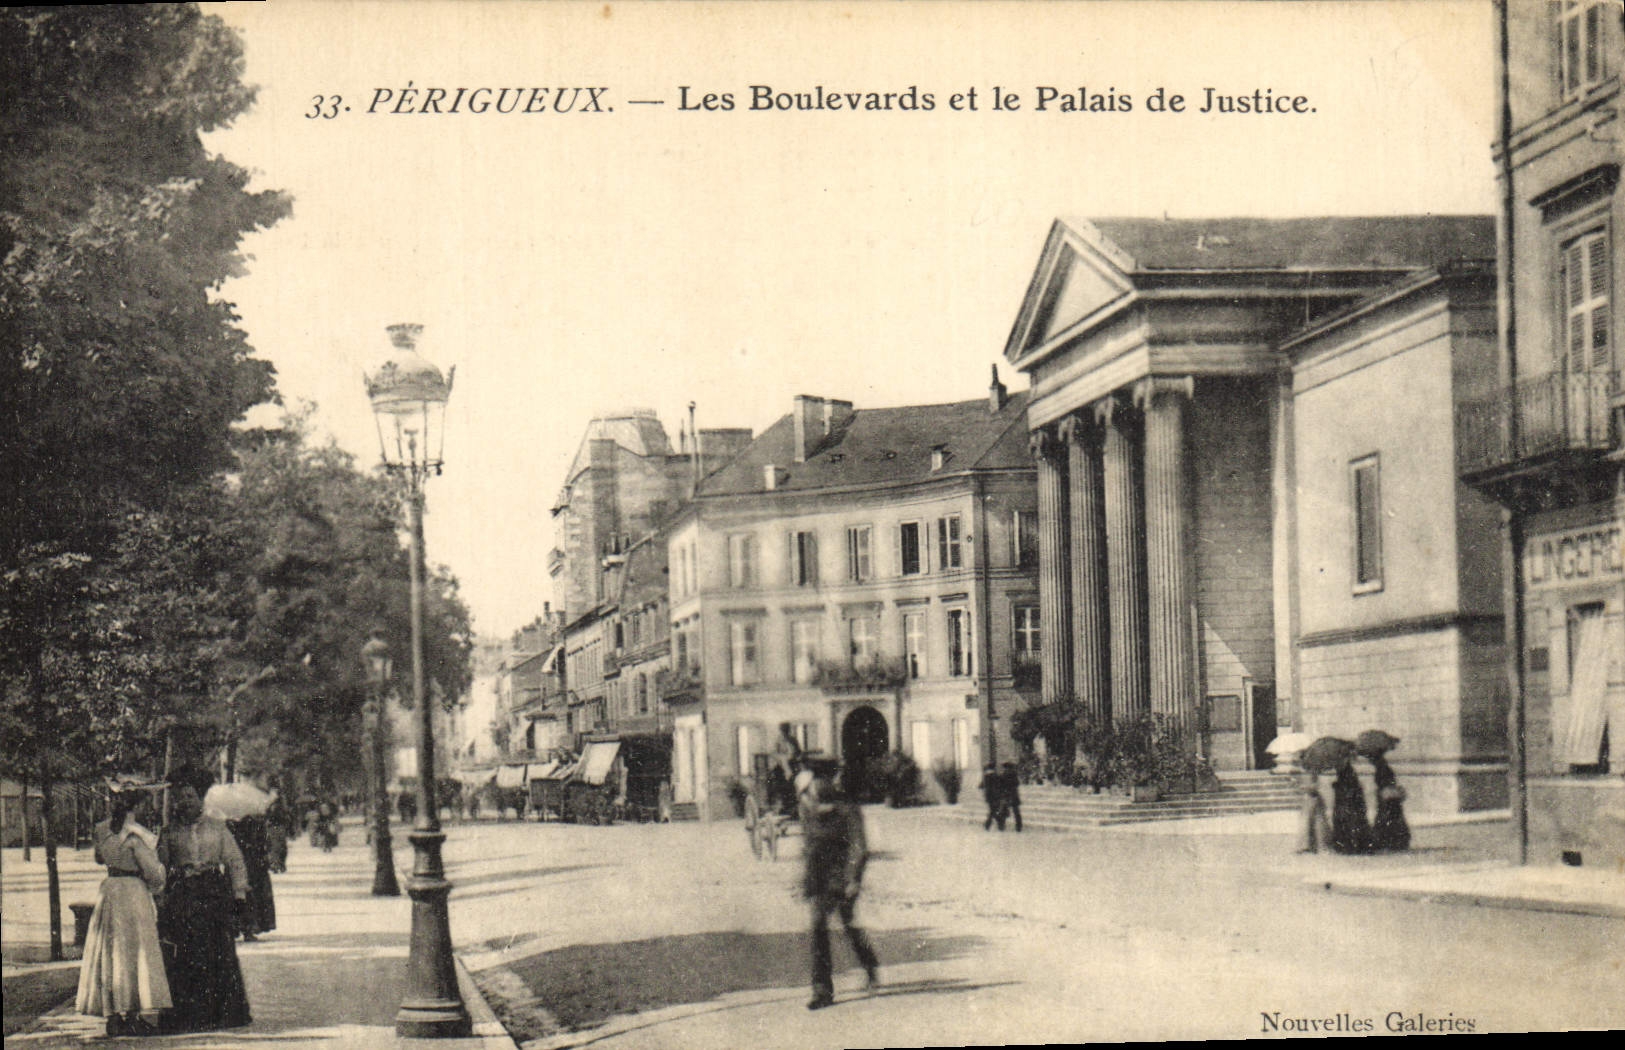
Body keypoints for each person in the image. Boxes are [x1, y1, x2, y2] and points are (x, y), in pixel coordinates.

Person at [157, 765, 252, 1032]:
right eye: (180, 797)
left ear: (200, 799)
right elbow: (160, 866)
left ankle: (221, 1013)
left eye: (190, 796)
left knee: (216, 952)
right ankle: (188, 1015)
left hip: (212, 893)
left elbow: (234, 861)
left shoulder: (217, 827)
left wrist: (239, 893)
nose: (185, 802)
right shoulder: (169, 831)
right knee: (186, 954)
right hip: (184, 895)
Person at [76, 783, 172, 1037]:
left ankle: (113, 1014)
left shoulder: (102, 829)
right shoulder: (137, 834)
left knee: (112, 950)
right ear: (138, 806)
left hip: (109, 891)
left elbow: (99, 858)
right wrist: (160, 873)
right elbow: (153, 873)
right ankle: (132, 1013)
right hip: (132, 892)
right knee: (135, 950)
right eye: (145, 804)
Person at [798, 762, 880, 1011]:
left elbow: (859, 846)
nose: (817, 786)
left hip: (841, 877)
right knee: (818, 927)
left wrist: (854, 879)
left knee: (848, 924)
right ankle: (821, 990)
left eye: (821, 780)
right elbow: (809, 845)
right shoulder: (808, 807)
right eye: (814, 781)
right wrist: (806, 880)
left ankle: (869, 964)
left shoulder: (847, 808)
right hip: (819, 879)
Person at [1362, 732, 1411, 853]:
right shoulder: (1382, 765)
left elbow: (1385, 782)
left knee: (1386, 819)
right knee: (1390, 819)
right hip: (1387, 795)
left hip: (1387, 796)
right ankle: (1394, 841)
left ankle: (1389, 842)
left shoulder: (1381, 766)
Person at [1328, 760, 1373, 855]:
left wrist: (1337, 786)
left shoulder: (1344, 775)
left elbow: (1345, 791)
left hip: (1347, 806)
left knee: (1348, 825)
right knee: (1354, 824)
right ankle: (1357, 846)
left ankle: (1349, 846)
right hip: (1351, 806)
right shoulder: (1350, 775)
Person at [1295, 770, 1332, 854]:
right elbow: (1311, 786)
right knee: (1310, 822)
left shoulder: (1310, 771)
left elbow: (1312, 786)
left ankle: (1311, 845)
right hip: (1310, 799)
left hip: (1312, 798)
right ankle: (1309, 845)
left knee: (1314, 822)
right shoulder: (1308, 772)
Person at [980, 764, 1004, 831]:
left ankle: (988, 824)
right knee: (993, 811)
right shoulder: (996, 776)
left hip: (989, 796)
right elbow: (1000, 785)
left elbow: (981, 786)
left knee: (992, 810)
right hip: (996, 796)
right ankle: (997, 823)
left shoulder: (986, 777)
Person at [1000, 762, 1023, 833]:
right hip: (1014, 795)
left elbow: (1001, 785)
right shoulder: (1014, 775)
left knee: (1004, 811)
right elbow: (1017, 783)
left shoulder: (1004, 775)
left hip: (1007, 795)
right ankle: (1019, 826)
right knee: (1016, 811)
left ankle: (1002, 825)